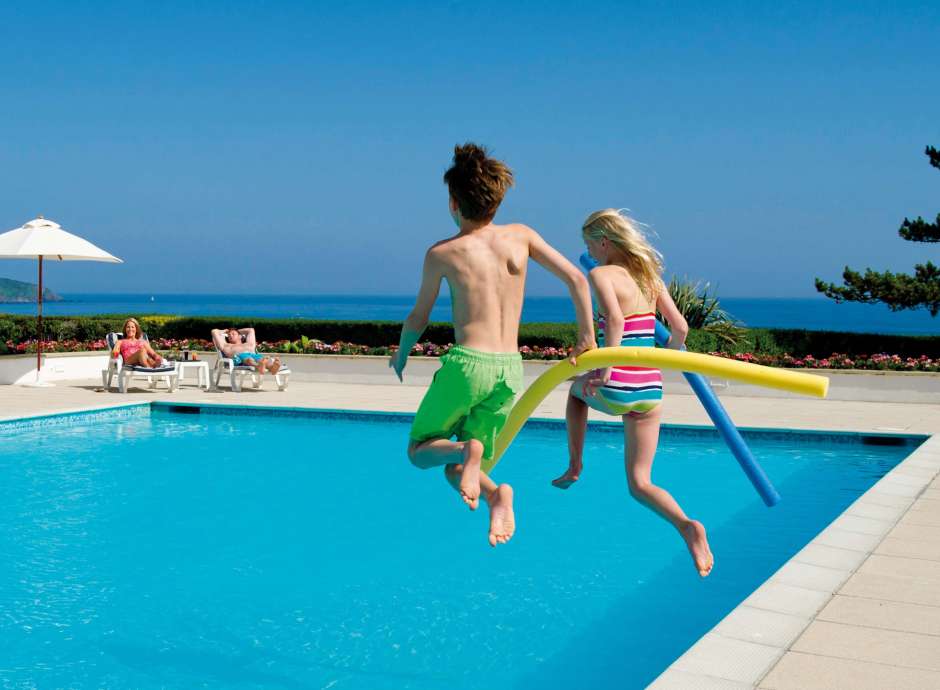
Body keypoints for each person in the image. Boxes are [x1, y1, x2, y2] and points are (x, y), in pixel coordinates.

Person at [389, 143, 596, 547]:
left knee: (418, 452)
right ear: (497, 200)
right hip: (508, 370)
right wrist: (586, 336)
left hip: (469, 365)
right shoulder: (521, 236)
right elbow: (577, 278)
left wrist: (401, 353)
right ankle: (496, 495)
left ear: (453, 203)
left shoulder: (443, 253)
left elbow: (419, 317)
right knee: (457, 468)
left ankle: (470, 453)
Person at [551, 208, 713, 576]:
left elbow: (617, 320)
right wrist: (667, 355)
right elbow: (682, 328)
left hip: (619, 383)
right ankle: (688, 526)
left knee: (576, 394)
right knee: (640, 483)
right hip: (649, 390)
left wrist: (605, 370)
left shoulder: (601, 274)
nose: (589, 253)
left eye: (589, 245)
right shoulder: (650, 277)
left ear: (604, 242)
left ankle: (575, 466)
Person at [211, 327, 282, 375]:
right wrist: (225, 331)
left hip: (254, 356)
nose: (230, 335)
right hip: (240, 358)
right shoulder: (226, 345)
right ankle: (259, 367)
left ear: (240, 336)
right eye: (228, 335)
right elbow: (214, 331)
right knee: (249, 359)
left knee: (266, 359)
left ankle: (273, 368)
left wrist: (237, 331)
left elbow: (251, 330)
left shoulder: (248, 344)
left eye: (233, 334)